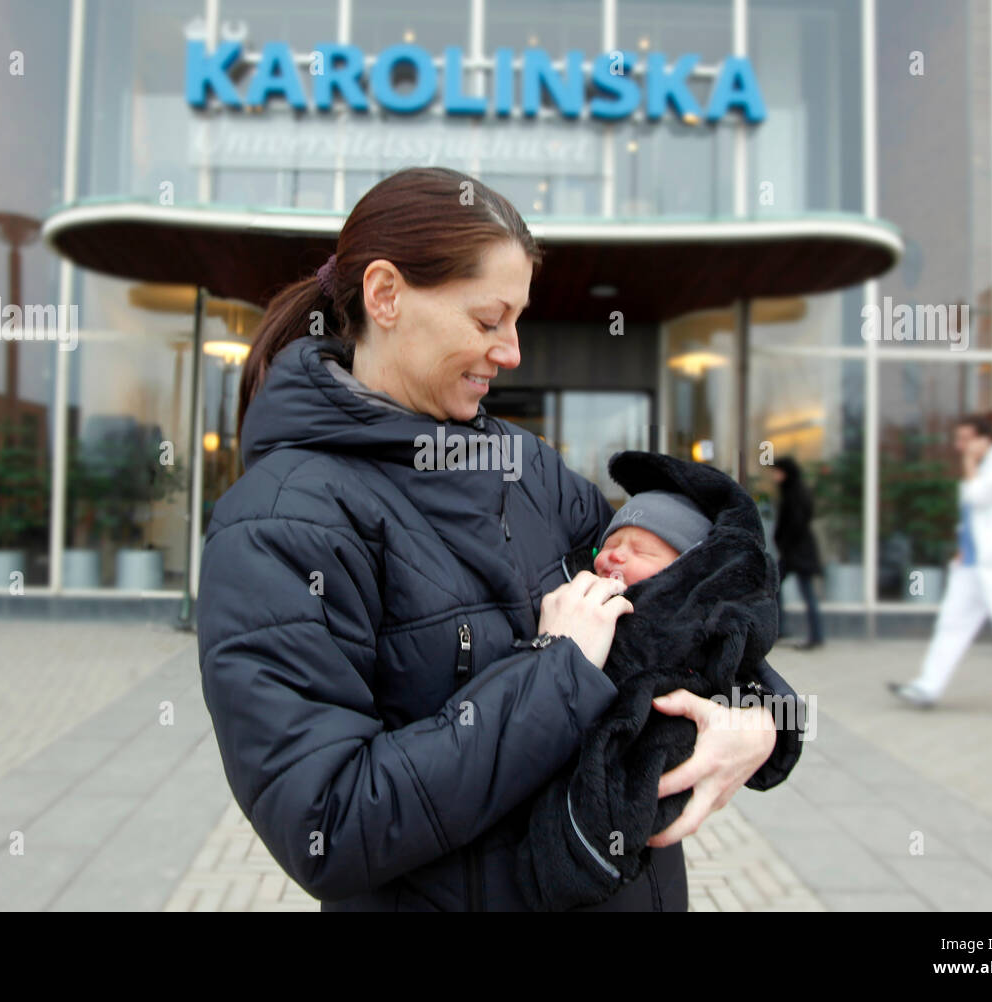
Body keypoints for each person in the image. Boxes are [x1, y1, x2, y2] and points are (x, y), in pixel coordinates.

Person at [196, 166, 804, 911]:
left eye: (517, 321)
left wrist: (758, 717)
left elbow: (670, 603)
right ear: (385, 296)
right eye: (489, 321)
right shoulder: (280, 524)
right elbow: (328, 822)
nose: (512, 351)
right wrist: (558, 671)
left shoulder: (527, 467)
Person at [517, 451, 803, 911]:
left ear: (682, 570)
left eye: (642, 550)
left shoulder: (700, 618)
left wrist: (762, 724)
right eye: (612, 543)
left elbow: (757, 681)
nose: (614, 555)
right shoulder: (580, 597)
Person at [888, 412, 992, 717]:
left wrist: (969, 464)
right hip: (972, 566)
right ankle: (928, 686)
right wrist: (962, 547)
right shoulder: (984, 466)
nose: (960, 446)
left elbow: (979, 497)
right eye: (958, 440)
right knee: (952, 625)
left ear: (985, 439)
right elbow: (973, 517)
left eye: (966, 439)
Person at [771, 457, 825, 650]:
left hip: (797, 551)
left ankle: (815, 636)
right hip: (796, 550)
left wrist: (784, 542)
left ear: (785, 473)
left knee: (801, 591)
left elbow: (795, 523)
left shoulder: (794, 493)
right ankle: (782, 629)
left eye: (777, 471)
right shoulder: (795, 491)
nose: (774, 476)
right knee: (777, 586)